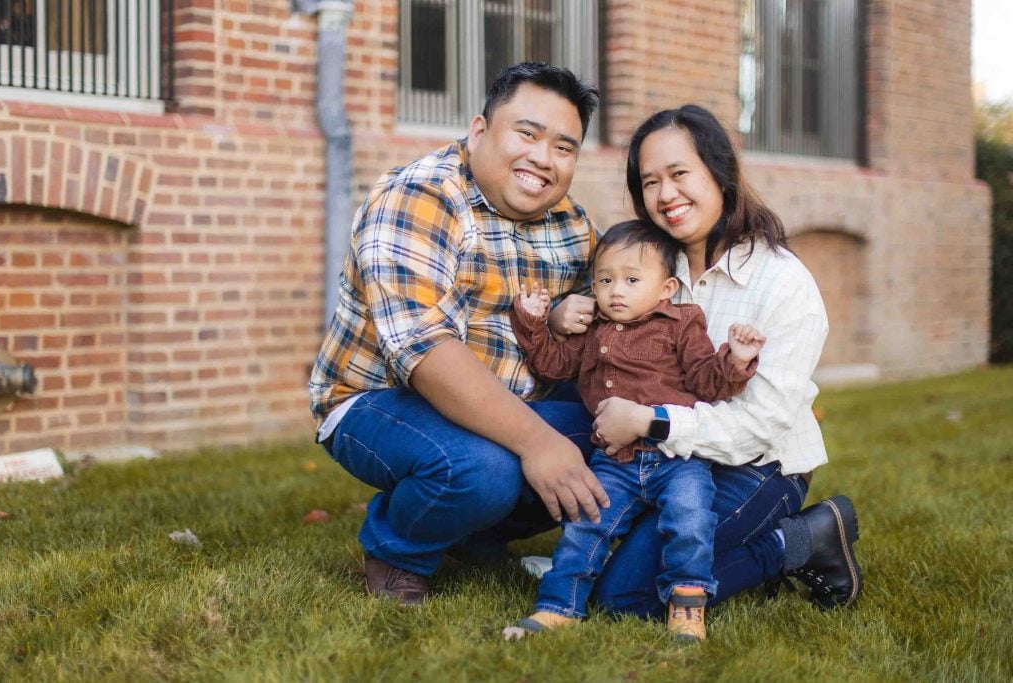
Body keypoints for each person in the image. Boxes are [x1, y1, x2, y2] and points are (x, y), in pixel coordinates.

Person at [308, 62, 608, 605]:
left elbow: (621, 304)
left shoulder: (571, 224)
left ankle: (472, 534)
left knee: (612, 427)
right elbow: (425, 354)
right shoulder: (420, 197)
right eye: (527, 133)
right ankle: (397, 548)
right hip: (376, 400)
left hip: (510, 399)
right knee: (481, 470)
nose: (543, 158)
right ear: (478, 130)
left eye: (564, 148)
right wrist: (541, 443)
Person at [555, 105, 864, 616]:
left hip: (755, 464)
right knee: (543, 423)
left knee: (625, 597)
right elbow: (594, 338)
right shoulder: (651, 263)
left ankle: (802, 541)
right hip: (659, 457)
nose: (666, 196)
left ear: (719, 172)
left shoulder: (783, 284)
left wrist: (651, 422)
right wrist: (563, 315)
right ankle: (488, 536)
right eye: (650, 182)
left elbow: (757, 426)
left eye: (680, 174)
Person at [504, 220, 766, 641]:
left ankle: (687, 603)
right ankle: (558, 607)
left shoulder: (682, 323)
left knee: (690, 518)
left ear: (666, 288)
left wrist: (735, 359)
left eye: (630, 280)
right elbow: (553, 366)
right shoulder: (593, 330)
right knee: (585, 526)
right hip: (614, 461)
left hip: (676, 459)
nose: (615, 291)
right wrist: (536, 323)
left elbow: (706, 382)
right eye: (604, 280)